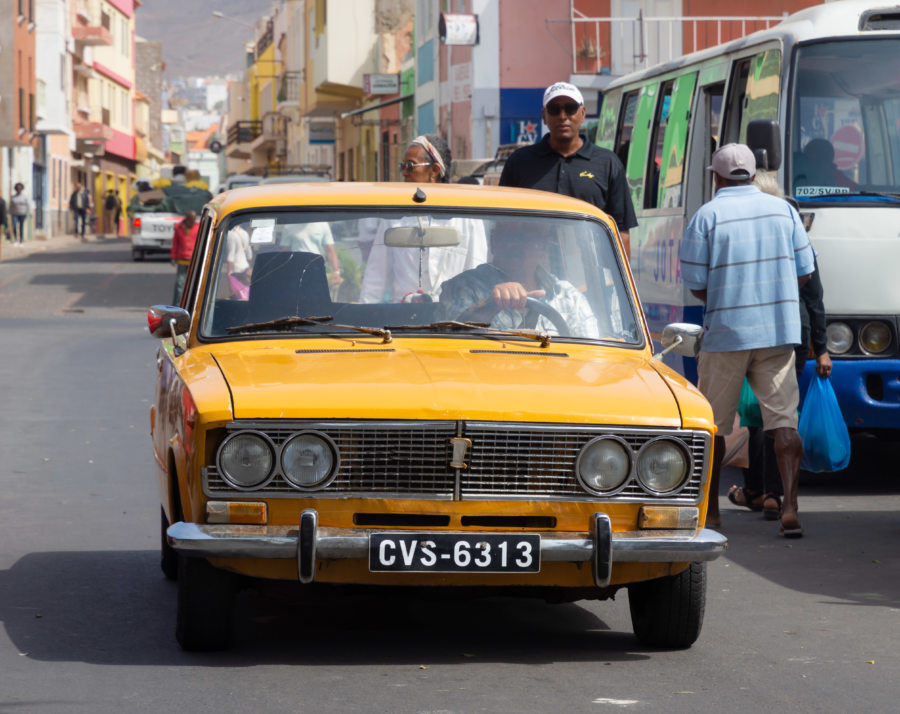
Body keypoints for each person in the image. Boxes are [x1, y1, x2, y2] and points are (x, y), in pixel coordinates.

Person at [679, 143, 815, 538]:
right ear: (754, 175)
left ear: (715, 177)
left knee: (714, 426)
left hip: (726, 334)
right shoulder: (785, 211)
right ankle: (789, 506)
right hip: (777, 332)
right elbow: (805, 272)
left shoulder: (707, 216)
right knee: (783, 422)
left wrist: (726, 297)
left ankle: (711, 512)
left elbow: (695, 284)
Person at [729, 171, 833, 519]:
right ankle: (779, 496)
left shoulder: (746, 237)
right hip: (793, 334)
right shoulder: (797, 236)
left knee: (753, 415)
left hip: (750, 330)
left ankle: (756, 490)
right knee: (782, 414)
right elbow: (814, 297)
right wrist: (822, 347)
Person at [499, 82, 637, 254]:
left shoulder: (608, 163)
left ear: (582, 113)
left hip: (589, 276)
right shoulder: (519, 162)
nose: (562, 116)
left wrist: (615, 280)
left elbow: (621, 232)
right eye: (554, 109)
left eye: (570, 108)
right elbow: (503, 227)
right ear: (544, 116)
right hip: (531, 273)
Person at [360, 135, 487, 303]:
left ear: (434, 170)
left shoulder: (466, 218)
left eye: (410, 166)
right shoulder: (394, 218)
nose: (404, 172)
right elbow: (375, 279)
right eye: (402, 166)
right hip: (402, 321)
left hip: (455, 322)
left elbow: (477, 275)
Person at [439, 221, 600, 338]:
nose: (517, 244)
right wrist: (489, 307)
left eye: (528, 237)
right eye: (509, 236)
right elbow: (450, 344)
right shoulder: (464, 287)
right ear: (494, 242)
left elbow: (593, 359)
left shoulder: (568, 295)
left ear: (544, 245)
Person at [171, 210, 199, 304]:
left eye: (194, 219)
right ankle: (176, 304)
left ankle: (192, 304)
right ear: (187, 219)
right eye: (192, 219)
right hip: (182, 259)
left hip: (193, 260)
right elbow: (175, 243)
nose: (193, 221)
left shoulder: (198, 227)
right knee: (180, 283)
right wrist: (173, 256)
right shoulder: (179, 227)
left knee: (193, 284)